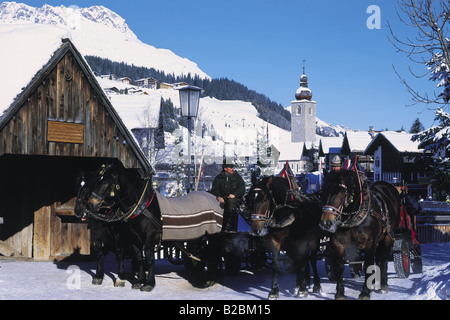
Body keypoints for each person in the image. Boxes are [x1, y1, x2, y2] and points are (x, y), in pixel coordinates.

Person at [211, 162, 245, 232]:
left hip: (235, 199)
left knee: (230, 203)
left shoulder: (237, 178)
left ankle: (228, 226)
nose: (232, 169)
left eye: (233, 167)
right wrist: (219, 197)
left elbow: (242, 189)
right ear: (225, 169)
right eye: (230, 167)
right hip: (222, 199)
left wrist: (234, 195)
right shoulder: (218, 178)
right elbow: (214, 189)